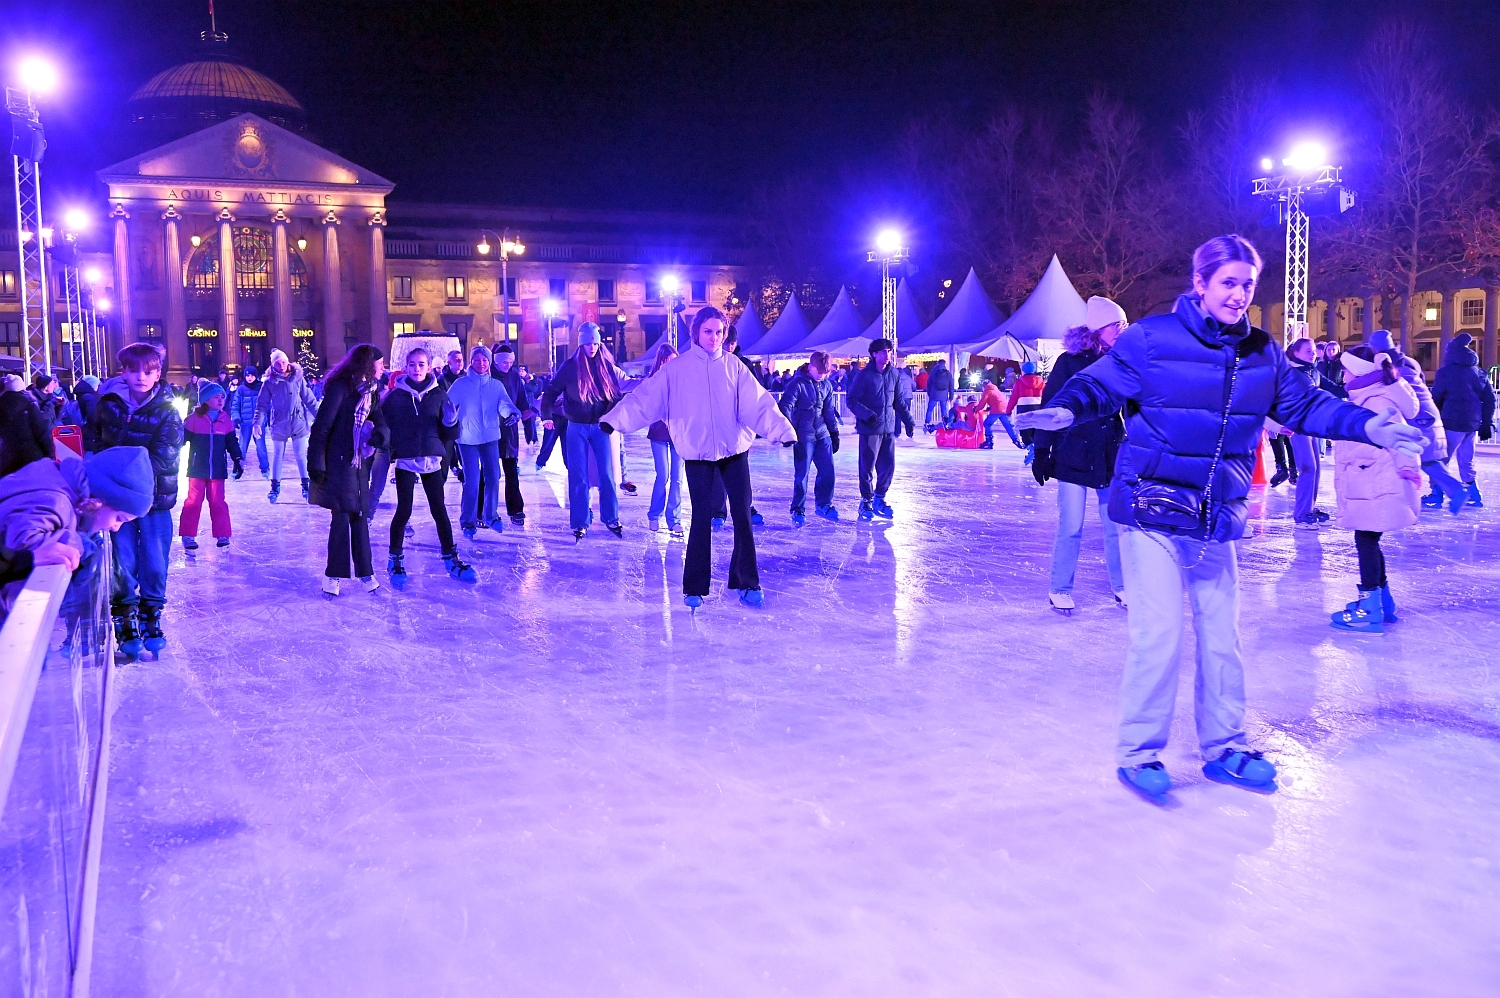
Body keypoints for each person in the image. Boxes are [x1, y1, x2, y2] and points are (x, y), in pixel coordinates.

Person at [1016, 234, 1422, 802]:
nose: (1238, 295)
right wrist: (1064, 409)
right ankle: (1139, 753)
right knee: (1160, 637)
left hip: (1214, 516)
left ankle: (1226, 747)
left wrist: (1370, 424)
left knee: (1222, 638)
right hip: (1151, 510)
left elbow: (1306, 405)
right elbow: (1099, 383)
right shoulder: (1152, 338)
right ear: (1200, 283)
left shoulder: (1262, 352)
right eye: (1228, 282)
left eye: (1247, 285)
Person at [602, 307, 796, 607]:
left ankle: (747, 581)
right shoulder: (677, 370)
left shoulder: (734, 367)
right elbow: (645, 398)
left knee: (742, 516)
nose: (714, 338)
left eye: (719, 332)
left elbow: (758, 404)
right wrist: (615, 420)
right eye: (708, 331)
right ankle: (694, 587)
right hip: (697, 455)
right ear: (696, 333)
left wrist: (781, 430)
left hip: (734, 452)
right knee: (701, 517)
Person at [85, 342, 185, 657]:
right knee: (121, 559)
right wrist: (100, 476)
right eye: (134, 370)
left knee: (155, 559)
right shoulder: (108, 405)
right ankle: (125, 618)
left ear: (158, 373)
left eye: (149, 371)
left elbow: (165, 457)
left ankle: (151, 615)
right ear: (124, 372)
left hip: (155, 499)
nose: (141, 376)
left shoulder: (167, 410)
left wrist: (118, 471)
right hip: (115, 502)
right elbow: (93, 441)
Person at [1032, 296, 1128, 614]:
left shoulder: (1121, 361)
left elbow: (1134, 406)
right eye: (1116, 324)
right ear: (1099, 327)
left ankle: (1122, 586)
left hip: (1110, 452)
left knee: (1116, 525)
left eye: (1124, 324)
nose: (1122, 330)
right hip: (1073, 451)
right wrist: (1042, 449)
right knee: (1071, 525)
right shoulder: (1069, 362)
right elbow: (1051, 406)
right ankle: (1060, 587)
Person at [1329, 346, 1422, 633]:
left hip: (1377, 482)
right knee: (1368, 538)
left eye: (1346, 370)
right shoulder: (1367, 397)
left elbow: (1400, 436)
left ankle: (1370, 608)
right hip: (1369, 479)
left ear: (1358, 372)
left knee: (1366, 539)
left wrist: (1408, 467)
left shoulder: (1376, 400)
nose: (1343, 376)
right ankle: (1382, 603)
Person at [382, 347, 474, 584]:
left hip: (432, 459)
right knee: (404, 510)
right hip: (406, 459)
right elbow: (383, 427)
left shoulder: (439, 395)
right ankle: (395, 558)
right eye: (412, 364)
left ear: (429, 367)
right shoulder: (395, 397)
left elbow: (450, 434)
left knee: (439, 510)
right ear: (406, 367)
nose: (417, 369)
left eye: (421, 364)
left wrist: (451, 422)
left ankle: (450, 556)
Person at [308, 344, 388, 597]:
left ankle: (366, 572)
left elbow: (381, 423)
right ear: (368, 364)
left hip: (360, 463)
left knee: (360, 516)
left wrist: (378, 437)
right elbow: (321, 427)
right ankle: (333, 575)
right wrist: (316, 463)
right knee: (342, 517)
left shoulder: (371, 392)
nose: (383, 368)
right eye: (380, 363)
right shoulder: (341, 389)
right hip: (339, 462)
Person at [539, 322, 627, 539]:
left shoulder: (605, 366)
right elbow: (550, 392)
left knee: (606, 474)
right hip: (576, 427)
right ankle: (580, 521)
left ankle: (611, 517)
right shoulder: (570, 367)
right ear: (581, 345)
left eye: (595, 344)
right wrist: (546, 416)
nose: (592, 348)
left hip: (600, 427)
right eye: (588, 344)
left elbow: (616, 396)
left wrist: (608, 417)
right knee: (578, 475)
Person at [448, 344, 520, 539]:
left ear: (489, 363)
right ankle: (468, 521)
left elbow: (504, 404)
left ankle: (491, 516)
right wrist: (448, 419)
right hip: (467, 439)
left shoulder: (496, 385)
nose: (481, 363)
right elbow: (447, 405)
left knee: (493, 477)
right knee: (472, 481)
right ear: (471, 362)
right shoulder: (461, 384)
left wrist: (511, 413)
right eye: (477, 360)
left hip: (490, 437)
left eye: (484, 360)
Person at [847, 337, 913, 521]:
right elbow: (851, 400)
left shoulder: (894, 374)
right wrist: (867, 415)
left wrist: (908, 421)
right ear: (874, 354)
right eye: (884, 351)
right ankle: (866, 501)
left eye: (889, 351)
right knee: (867, 467)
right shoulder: (864, 375)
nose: (888, 354)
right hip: (870, 429)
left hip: (888, 429)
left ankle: (879, 498)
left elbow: (898, 401)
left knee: (888, 467)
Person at [1431, 331, 1495, 508]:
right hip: (1472, 423)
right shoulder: (1479, 372)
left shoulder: (1446, 372)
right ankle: (1473, 493)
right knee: (1466, 459)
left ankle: (1437, 493)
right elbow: (1490, 399)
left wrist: (1434, 419)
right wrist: (1486, 422)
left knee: (1441, 458)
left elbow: (1436, 397)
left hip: (1451, 421)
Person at [778, 350, 842, 526]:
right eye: (819, 371)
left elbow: (829, 411)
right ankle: (798, 508)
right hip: (803, 435)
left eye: (825, 373)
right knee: (802, 474)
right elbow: (785, 406)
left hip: (822, 433)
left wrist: (834, 433)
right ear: (811, 367)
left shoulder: (826, 385)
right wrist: (788, 431)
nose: (821, 375)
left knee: (828, 471)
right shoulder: (797, 384)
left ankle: (824, 504)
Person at [178, 382, 243, 550]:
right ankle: (188, 535)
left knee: (218, 502)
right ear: (206, 400)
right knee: (193, 502)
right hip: (197, 469)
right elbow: (180, 440)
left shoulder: (225, 419)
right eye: (216, 397)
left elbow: (231, 442)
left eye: (222, 397)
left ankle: (223, 534)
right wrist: (169, 454)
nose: (220, 400)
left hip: (218, 469)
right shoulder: (193, 419)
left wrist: (237, 458)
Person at [1285, 337, 1337, 529]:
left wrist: (1353, 389)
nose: (1313, 354)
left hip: (1312, 424)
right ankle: (1301, 514)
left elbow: (1331, 387)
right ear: (1296, 352)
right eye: (1308, 351)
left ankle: (1310, 508)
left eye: (1314, 350)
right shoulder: (1291, 373)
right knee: (1308, 468)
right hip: (1297, 425)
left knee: (1316, 468)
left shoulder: (1312, 370)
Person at [255, 348, 318, 504]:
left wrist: (321, 417)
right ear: (273, 365)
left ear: (288, 361)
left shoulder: (297, 379)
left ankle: (306, 486)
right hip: (279, 423)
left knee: (301, 455)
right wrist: (257, 423)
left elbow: (309, 400)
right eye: (278, 363)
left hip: (298, 422)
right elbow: (261, 404)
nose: (282, 365)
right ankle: (274, 488)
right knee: (278, 456)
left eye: (283, 361)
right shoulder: (269, 382)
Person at [643, 342, 685, 535]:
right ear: (660, 362)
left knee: (678, 478)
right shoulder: (653, 381)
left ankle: (674, 519)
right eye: (667, 361)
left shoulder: (683, 381)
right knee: (663, 475)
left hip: (679, 434)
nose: (670, 364)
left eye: (674, 361)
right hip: (659, 433)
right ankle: (654, 515)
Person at [490, 344, 534, 524]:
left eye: (510, 362)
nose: (507, 365)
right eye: (504, 362)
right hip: (490, 430)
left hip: (509, 431)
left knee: (511, 472)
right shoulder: (488, 376)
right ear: (496, 362)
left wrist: (528, 426)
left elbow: (522, 402)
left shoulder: (515, 377)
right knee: (489, 473)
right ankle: (484, 510)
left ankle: (516, 509)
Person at [230, 365, 269, 477]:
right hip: (245, 423)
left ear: (256, 376)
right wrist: (236, 418)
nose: (249, 378)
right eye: (247, 376)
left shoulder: (261, 388)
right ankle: (238, 468)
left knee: (261, 447)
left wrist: (266, 417)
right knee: (242, 447)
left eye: (252, 375)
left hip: (258, 423)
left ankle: (265, 469)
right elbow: (235, 405)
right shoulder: (241, 389)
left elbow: (267, 403)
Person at [1006, 361, 1047, 464]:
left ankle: (1031, 449)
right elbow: (1046, 395)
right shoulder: (1041, 381)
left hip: (1024, 408)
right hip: (1038, 407)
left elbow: (1014, 397)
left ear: (1023, 370)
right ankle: (1035, 451)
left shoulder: (1020, 382)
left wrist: (1008, 410)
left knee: (1024, 430)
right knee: (1035, 430)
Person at [977, 380, 1024, 449]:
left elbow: (982, 404)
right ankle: (1017, 441)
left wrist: (976, 409)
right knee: (1009, 426)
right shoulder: (997, 391)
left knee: (987, 424)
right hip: (1005, 409)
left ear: (984, 386)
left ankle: (989, 441)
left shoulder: (987, 391)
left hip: (996, 410)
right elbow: (998, 401)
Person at [923, 358, 954, 432]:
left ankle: (927, 423)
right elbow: (951, 386)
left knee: (930, 410)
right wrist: (951, 396)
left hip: (934, 394)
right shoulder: (948, 373)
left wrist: (929, 393)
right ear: (944, 364)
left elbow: (928, 383)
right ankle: (945, 424)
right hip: (944, 395)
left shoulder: (933, 372)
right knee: (944, 410)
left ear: (938, 363)